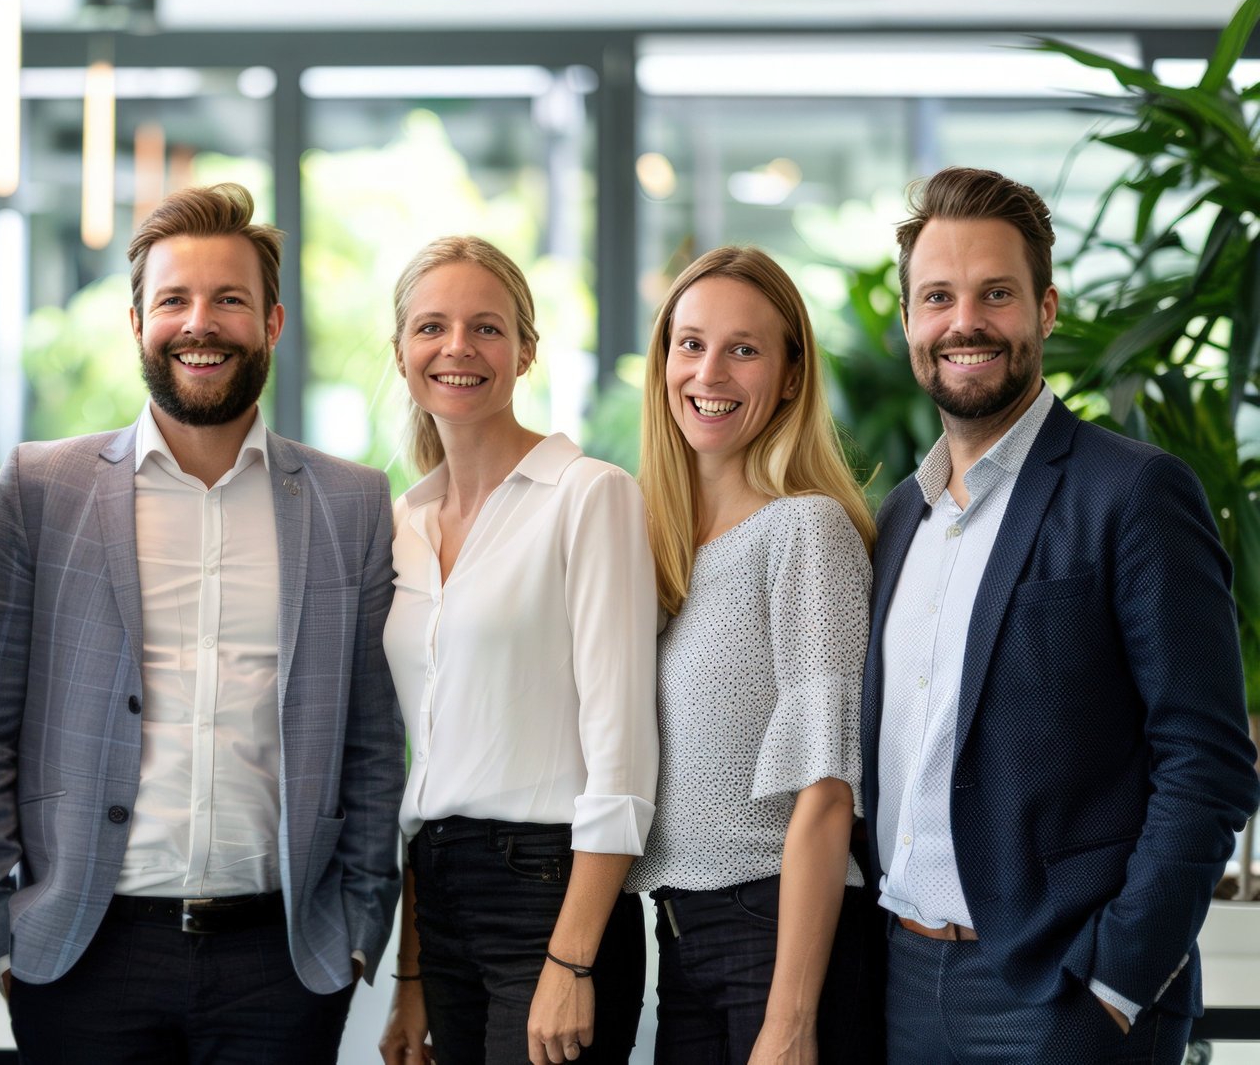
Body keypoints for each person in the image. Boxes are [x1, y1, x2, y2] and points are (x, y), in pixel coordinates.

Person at [0, 182, 403, 1063]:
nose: (201, 324)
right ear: (137, 323)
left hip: (281, 962)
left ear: (271, 324)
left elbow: (374, 741)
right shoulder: (43, 489)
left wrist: (358, 929)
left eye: (228, 300)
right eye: (174, 300)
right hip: (83, 952)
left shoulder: (351, 503)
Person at [864, 166, 1260, 1063]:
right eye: (938, 297)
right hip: (900, 984)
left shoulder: (1135, 493)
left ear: (1045, 309)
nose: (965, 322)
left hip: (1059, 997)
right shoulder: (897, 518)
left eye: (995, 293)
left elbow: (1207, 763)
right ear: (911, 323)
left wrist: (1116, 989)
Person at [377, 236, 657, 1065]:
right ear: (401, 353)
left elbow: (623, 757)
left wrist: (572, 959)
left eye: (486, 327)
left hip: (550, 892)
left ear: (526, 349)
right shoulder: (403, 526)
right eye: (431, 327)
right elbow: (427, 770)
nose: (457, 348)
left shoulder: (589, 496)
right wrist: (411, 974)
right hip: (440, 900)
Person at [624, 245, 882, 1064]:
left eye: (745, 348)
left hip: (777, 942)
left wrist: (790, 1019)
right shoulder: (659, 547)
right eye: (691, 343)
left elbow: (829, 794)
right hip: (681, 931)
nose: (711, 372)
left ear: (792, 376)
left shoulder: (805, 530)